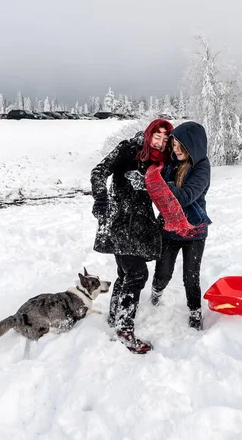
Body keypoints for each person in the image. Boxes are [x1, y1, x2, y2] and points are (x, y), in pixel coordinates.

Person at [90, 118, 173, 354]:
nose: (160, 143)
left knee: (125, 272)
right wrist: (101, 197)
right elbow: (99, 171)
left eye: (165, 140)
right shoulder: (128, 149)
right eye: (157, 137)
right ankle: (124, 329)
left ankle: (115, 316)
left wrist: (147, 186)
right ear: (148, 134)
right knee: (137, 274)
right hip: (120, 222)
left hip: (142, 226)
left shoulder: (160, 163)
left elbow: (163, 193)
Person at [149, 121, 211, 330]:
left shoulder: (202, 167)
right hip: (169, 228)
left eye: (179, 145)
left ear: (192, 145)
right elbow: (150, 161)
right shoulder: (171, 161)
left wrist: (156, 185)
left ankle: (195, 311)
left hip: (194, 230)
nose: (175, 149)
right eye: (173, 144)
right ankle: (155, 294)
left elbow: (185, 196)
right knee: (163, 272)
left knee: (190, 277)